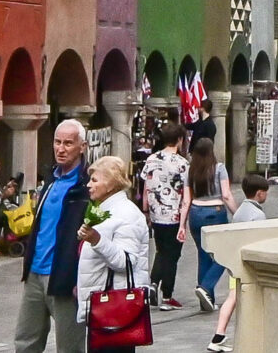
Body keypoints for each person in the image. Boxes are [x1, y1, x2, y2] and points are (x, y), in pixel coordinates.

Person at [15, 119, 92, 353]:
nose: (61, 148)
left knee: (69, 346)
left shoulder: (88, 185)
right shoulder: (50, 179)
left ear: (83, 146)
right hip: (35, 274)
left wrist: (81, 278)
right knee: (25, 341)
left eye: (68, 143)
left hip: (66, 277)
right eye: (57, 142)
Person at [75, 156, 151, 332]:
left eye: (94, 180)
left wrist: (96, 240)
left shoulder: (126, 214)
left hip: (115, 306)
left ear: (110, 184)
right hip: (103, 303)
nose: (88, 185)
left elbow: (125, 262)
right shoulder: (106, 210)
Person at [205, 174, 269, 353]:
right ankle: (222, 336)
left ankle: (219, 334)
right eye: (265, 193)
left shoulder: (240, 211)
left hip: (234, 263)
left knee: (233, 297)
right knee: (240, 298)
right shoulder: (258, 215)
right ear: (259, 193)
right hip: (245, 266)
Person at [184, 137, 238, 314]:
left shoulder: (190, 171)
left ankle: (207, 300)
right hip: (215, 212)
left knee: (203, 254)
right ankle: (206, 287)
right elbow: (226, 194)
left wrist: (181, 226)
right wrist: (237, 214)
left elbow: (186, 201)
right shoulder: (219, 168)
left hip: (195, 212)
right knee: (224, 253)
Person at [140, 125, 190, 313]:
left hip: (155, 212)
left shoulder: (151, 159)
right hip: (174, 214)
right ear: (179, 139)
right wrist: (183, 222)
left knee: (161, 251)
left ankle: (153, 283)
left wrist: (146, 210)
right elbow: (186, 196)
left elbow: (145, 187)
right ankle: (167, 295)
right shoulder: (182, 164)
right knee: (172, 255)